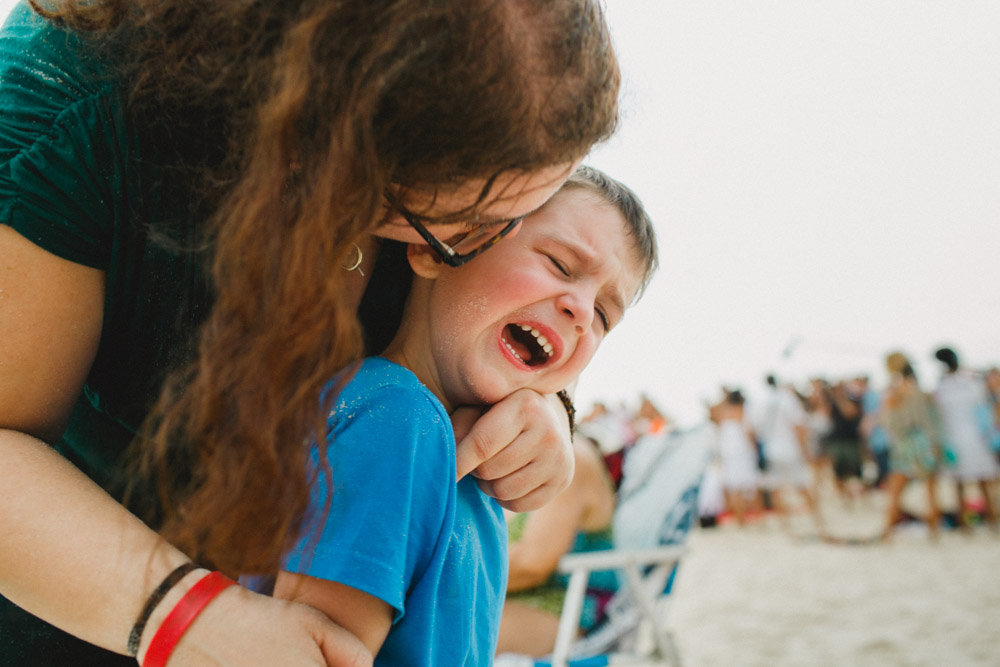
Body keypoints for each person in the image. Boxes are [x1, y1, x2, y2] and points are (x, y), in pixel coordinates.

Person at [0, 0, 621, 663]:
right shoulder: (73, 88)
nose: (492, 245)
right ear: (334, 148)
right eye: (469, 228)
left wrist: (548, 405)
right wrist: (186, 615)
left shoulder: (493, 109)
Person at [254, 166, 658, 663]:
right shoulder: (396, 421)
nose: (581, 309)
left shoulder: (447, 443)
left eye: (603, 315)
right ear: (439, 245)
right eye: (558, 263)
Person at [932, 347, 999, 529]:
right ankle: (992, 520)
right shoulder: (971, 384)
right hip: (976, 438)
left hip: (953, 439)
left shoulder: (942, 387)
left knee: (959, 485)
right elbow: (984, 410)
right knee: (983, 482)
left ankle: (964, 525)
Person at [880, 352, 942, 541]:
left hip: (906, 444)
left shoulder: (895, 393)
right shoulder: (920, 392)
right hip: (924, 442)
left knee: (895, 492)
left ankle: (887, 533)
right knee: (930, 492)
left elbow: (889, 423)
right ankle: (934, 533)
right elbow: (930, 421)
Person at [750, 375, 823, 533]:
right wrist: (805, 451)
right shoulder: (787, 398)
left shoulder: (758, 401)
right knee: (801, 485)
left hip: (770, 450)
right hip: (790, 449)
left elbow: (752, 429)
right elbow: (799, 426)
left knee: (776, 489)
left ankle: (786, 527)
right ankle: (817, 521)